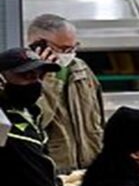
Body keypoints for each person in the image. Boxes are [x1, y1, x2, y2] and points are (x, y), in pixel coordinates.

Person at [0, 47, 67, 186]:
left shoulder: (30, 113)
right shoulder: (4, 123)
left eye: (38, 75)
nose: (34, 81)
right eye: (25, 75)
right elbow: (33, 175)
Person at [29, 14, 104, 172]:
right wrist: (49, 78)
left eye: (74, 47)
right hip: (54, 168)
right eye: (63, 49)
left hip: (91, 165)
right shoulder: (25, 76)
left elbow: (98, 114)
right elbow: (37, 120)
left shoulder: (81, 69)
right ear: (39, 45)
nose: (69, 54)